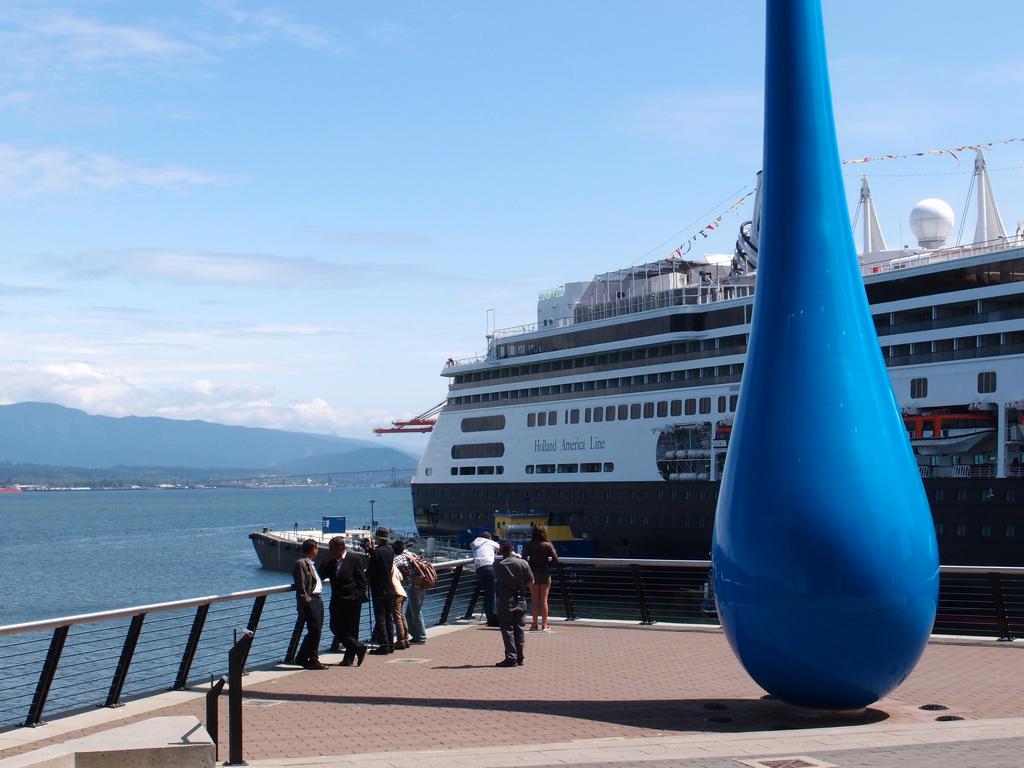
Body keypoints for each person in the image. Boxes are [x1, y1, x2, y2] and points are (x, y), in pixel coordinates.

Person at [318, 536, 368, 667]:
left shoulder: (354, 559)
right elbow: (321, 575)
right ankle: (358, 647)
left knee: (352, 629)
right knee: (335, 627)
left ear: (340, 547)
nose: (330, 550)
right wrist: (327, 558)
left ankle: (348, 658)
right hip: (337, 600)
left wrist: (359, 595)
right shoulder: (331, 561)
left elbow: (362, 580)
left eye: (331, 548)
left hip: (352, 600)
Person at [494, 540, 534, 667]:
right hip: (521, 598)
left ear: (501, 550)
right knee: (519, 628)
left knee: (507, 629)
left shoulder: (499, 564)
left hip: (506, 599)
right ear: (512, 549)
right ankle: (520, 657)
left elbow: (497, 579)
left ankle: (511, 657)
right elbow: (531, 581)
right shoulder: (523, 563)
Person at [292, 539, 327, 670]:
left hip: (317, 599)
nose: (318, 551)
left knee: (316, 630)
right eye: (317, 548)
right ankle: (312, 659)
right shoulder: (301, 563)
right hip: (311, 600)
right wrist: (307, 601)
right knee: (315, 630)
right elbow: (301, 585)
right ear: (312, 549)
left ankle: (302, 657)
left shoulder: (310, 564)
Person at [366, 527, 396, 654]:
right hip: (389, 587)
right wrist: (370, 550)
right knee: (389, 617)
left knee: (380, 617)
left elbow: (371, 571)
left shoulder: (377, 552)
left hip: (378, 589)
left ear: (378, 538)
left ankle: (383, 645)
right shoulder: (389, 550)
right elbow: (381, 558)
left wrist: (365, 577)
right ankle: (390, 643)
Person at [524, 524, 559, 631]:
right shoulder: (548, 544)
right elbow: (555, 560)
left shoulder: (529, 545)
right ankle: (544, 625)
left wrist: (531, 563)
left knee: (534, 600)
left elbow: (524, 558)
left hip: (533, 573)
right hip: (544, 572)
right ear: (544, 532)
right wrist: (548, 563)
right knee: (544, 600)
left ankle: (534, 624)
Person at [471, 531, 501, 627]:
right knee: (492, 594)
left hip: (479, 569)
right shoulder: (489, 542)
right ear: (489, 538)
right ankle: (492, 620)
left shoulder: (474, 543)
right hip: (489, 568)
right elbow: (503, 549)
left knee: (487, 594)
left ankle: (490, 618)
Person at [391, 541, 410, 650]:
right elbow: (401, 577)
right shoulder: (395, 565)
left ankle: (400, 640)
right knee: (401, 616)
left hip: (395, 593)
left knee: (397, 617)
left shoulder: (391, 563)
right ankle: (406, 638)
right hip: (402, 592)